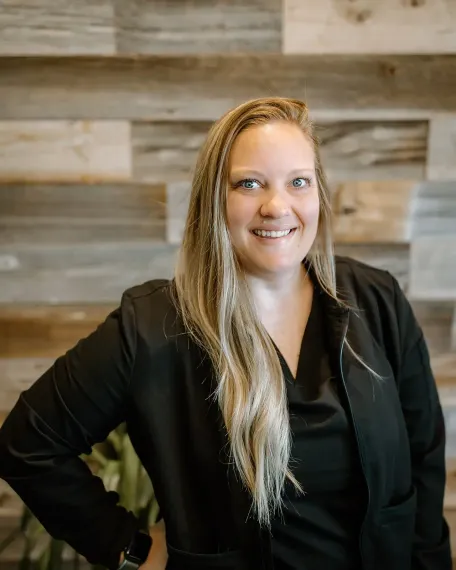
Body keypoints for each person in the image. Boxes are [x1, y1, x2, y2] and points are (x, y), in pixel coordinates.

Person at [0, 97, 451, 570]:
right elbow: (27, 446)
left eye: (298, 181)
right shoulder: (154, 326)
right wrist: (128, 548)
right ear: (214, 199)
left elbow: (423, 460)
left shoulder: (376, 300)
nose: (276, 206)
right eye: (249, 183)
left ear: (319, 193)